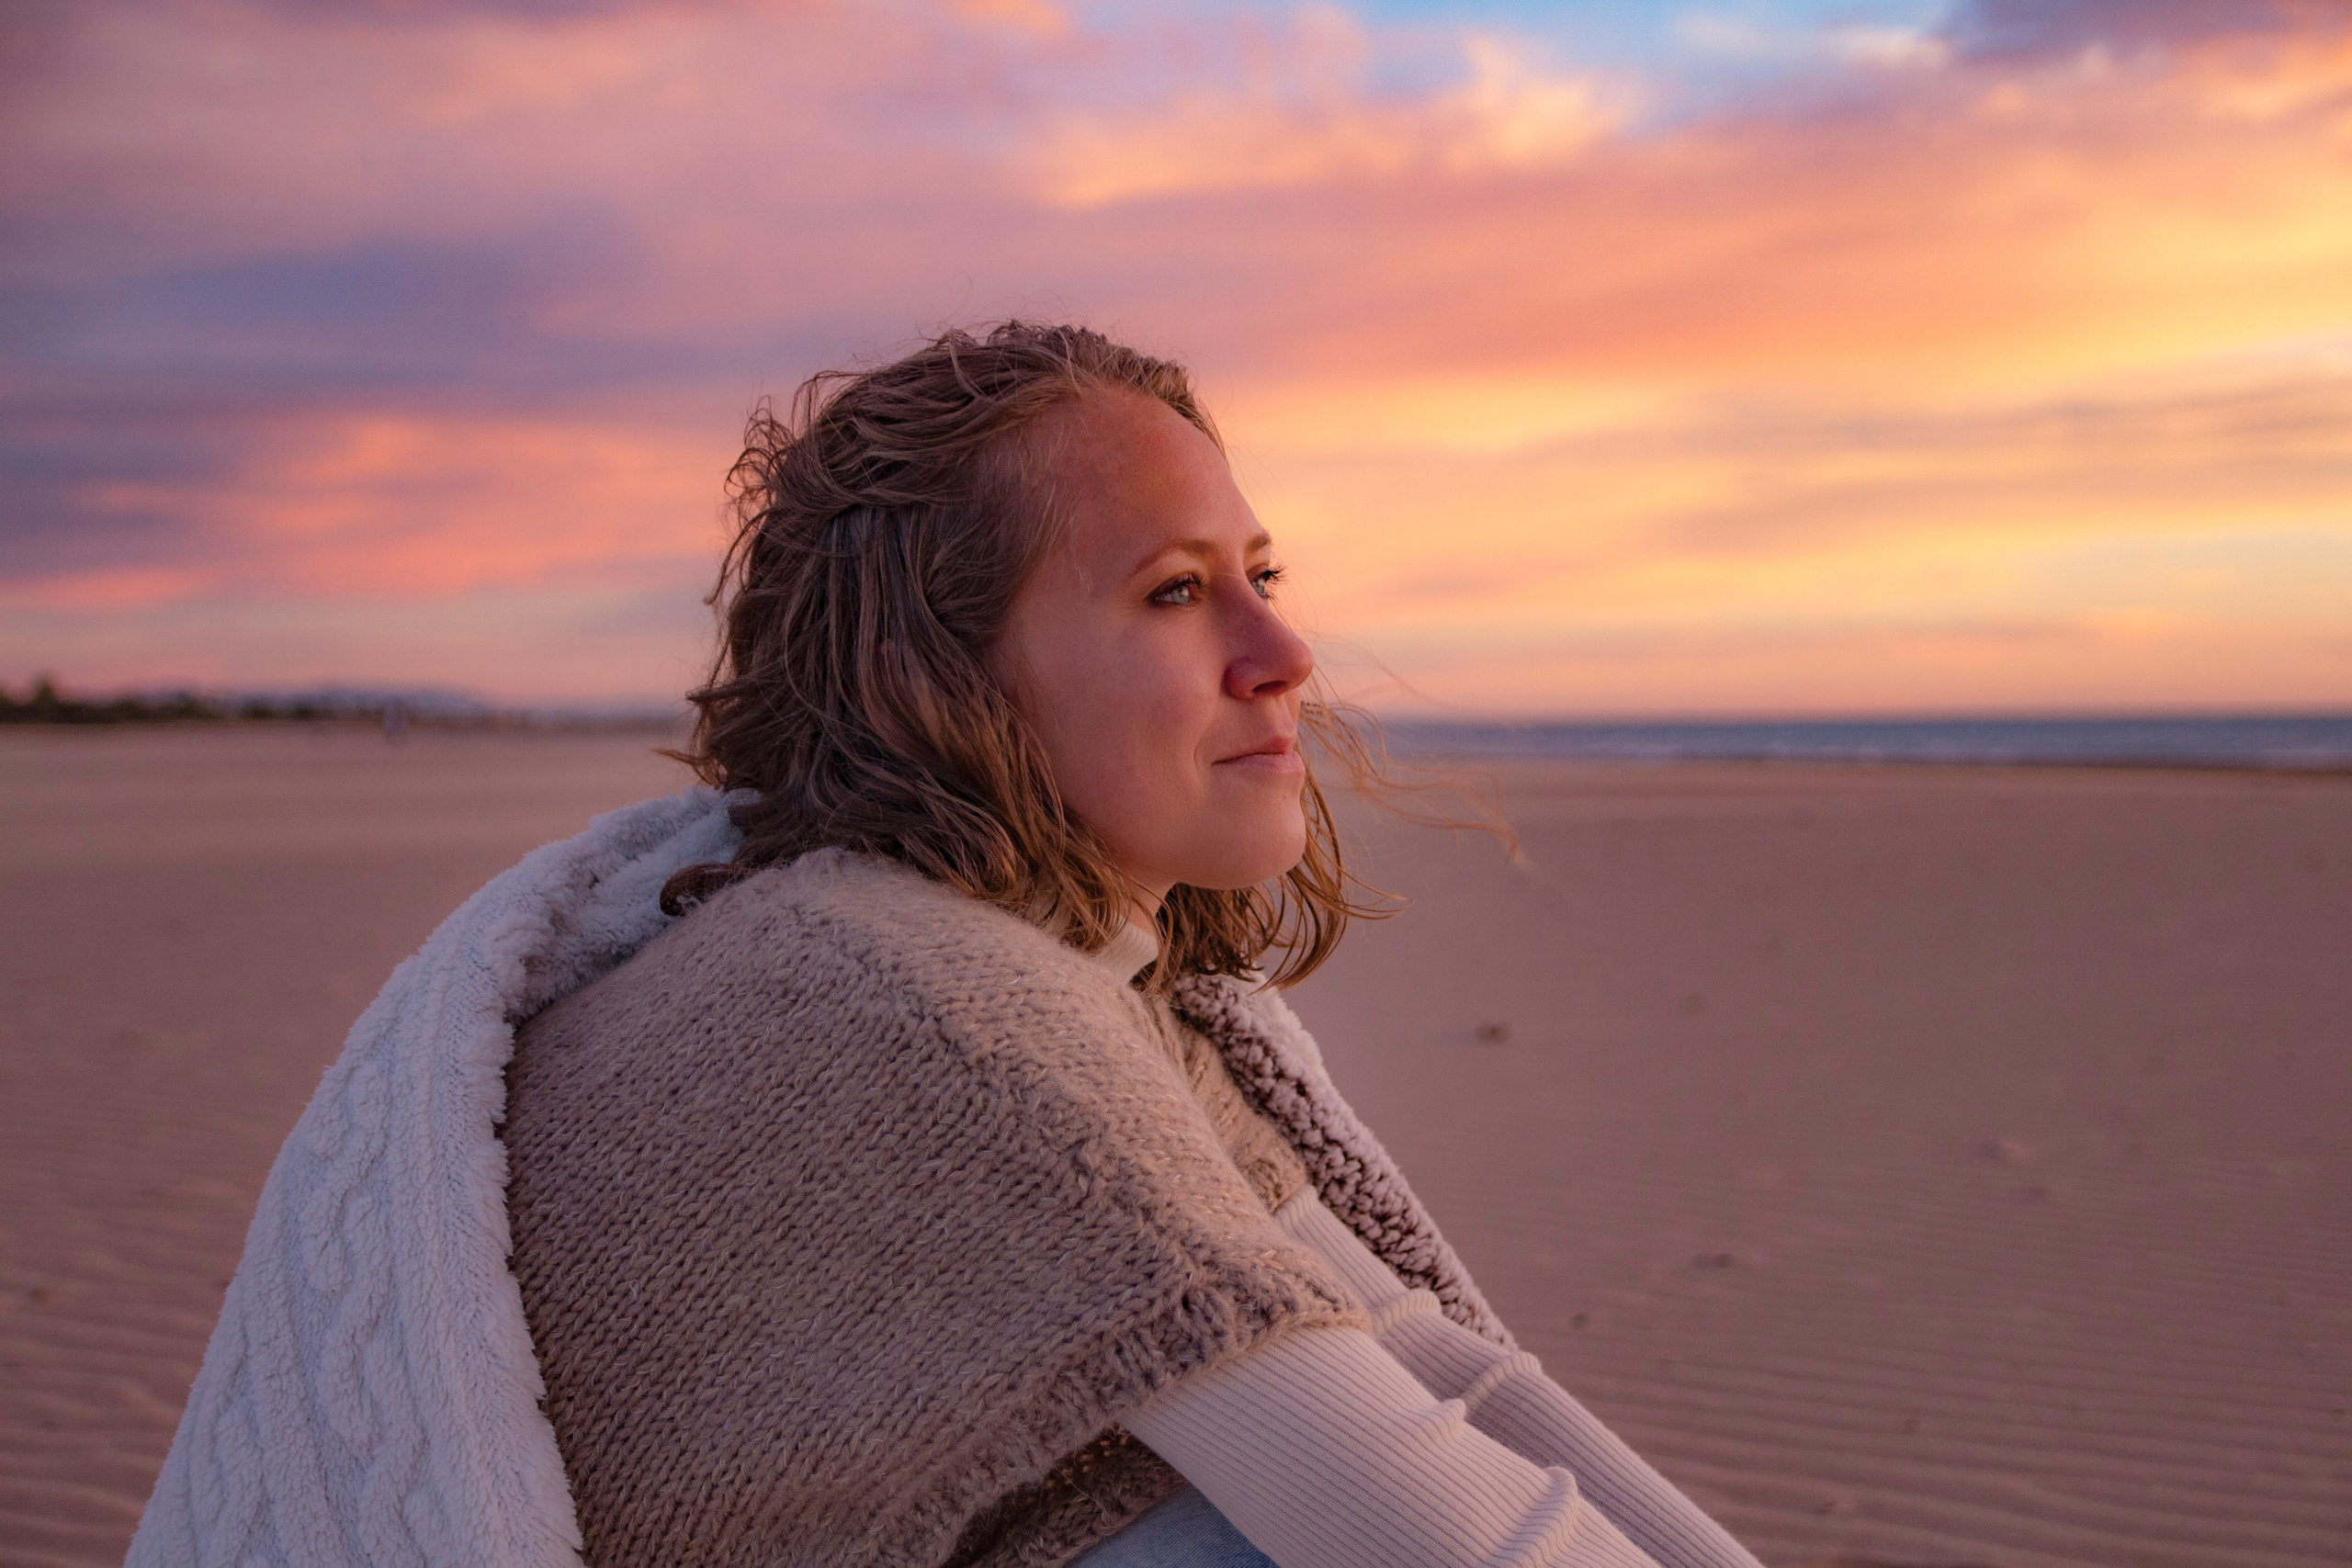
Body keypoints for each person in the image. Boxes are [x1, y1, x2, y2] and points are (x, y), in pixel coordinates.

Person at [126, 322, 1766, 1568]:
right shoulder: (906, 1002)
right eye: (1175, 594)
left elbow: (1450, 1380)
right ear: (947, 678)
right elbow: (1414, 1520)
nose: (1283, 649)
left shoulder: (1042, 971)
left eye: (1260, 574)